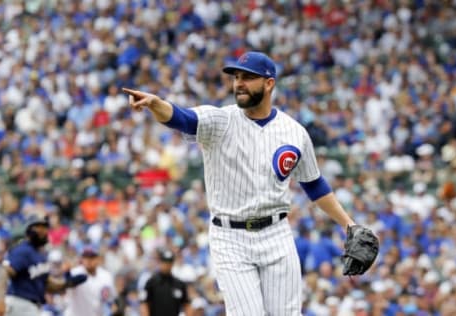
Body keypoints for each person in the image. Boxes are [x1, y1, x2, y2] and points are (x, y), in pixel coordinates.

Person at [123, 51, 358, 315]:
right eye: (236, 77)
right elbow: (183, 118)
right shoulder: (220, 120)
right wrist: (156, 104)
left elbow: (314, 184)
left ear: (269, 83)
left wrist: (349, 225)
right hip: (230, 236)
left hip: (276, 233)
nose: (239, 83)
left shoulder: (294, 132)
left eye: (248, 77)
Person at [1, 214, 87, 316]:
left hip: (32, 306)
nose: (43, 231)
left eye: (45, 227)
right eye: (38, 227)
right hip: (19, 303)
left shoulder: (41, 255)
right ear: (29, 230)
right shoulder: (23, 250)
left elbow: (47, 284)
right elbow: (4, 272)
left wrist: (67, 283)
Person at [63, 245, 117, 316]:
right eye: (85, 257)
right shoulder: (75, 273)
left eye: (91, 257)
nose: (88, 260)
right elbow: (68, 285)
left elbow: (111, 299)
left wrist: (113, 306)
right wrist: (67, 274)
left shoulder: (106, 276)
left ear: (98, 258)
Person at [139, 248, 190, 316]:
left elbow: (186, 305)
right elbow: (144, 304)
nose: (167, 265)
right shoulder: (151, 282)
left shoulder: (179, 284)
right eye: (165, 262)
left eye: (169, 262)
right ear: (160, 262)